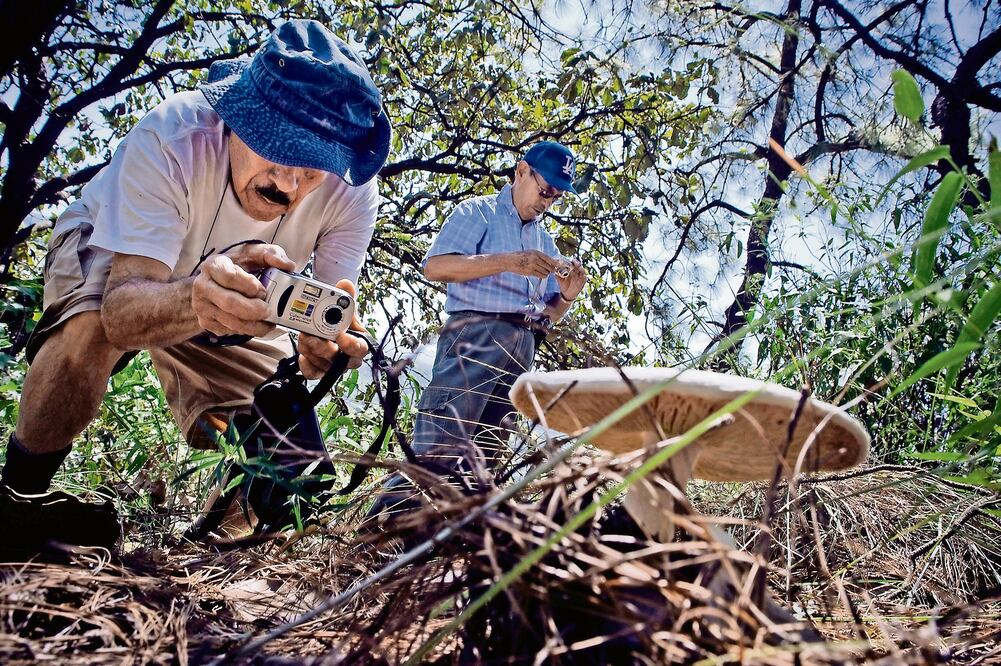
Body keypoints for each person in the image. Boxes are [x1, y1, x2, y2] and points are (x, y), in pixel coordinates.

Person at [0, 19, 392, 551]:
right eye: (279, 153)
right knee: (89, 329)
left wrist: (320, 346)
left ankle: (212, 555)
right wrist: (193, 299)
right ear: (239, 118)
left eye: (314, 170)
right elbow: (122, 312)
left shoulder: (352, 194)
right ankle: (17, 502)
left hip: (240, 297)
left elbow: (319, 310)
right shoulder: (172, 136)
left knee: (282, 464)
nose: (290, 186)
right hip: (121, 262)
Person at [368, 141, 587, 520]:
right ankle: (371, 541)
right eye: (545, 188)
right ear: (521, 172)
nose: (548, 200)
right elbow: (435, 267)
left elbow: (550, 316)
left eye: (557, 195)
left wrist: (567, 296)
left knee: (485, 463)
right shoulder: (478, 212)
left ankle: (439, 556)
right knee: (440, 447)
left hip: (521, 349)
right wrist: (509, 262)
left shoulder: (544, 242)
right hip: (474, 337)